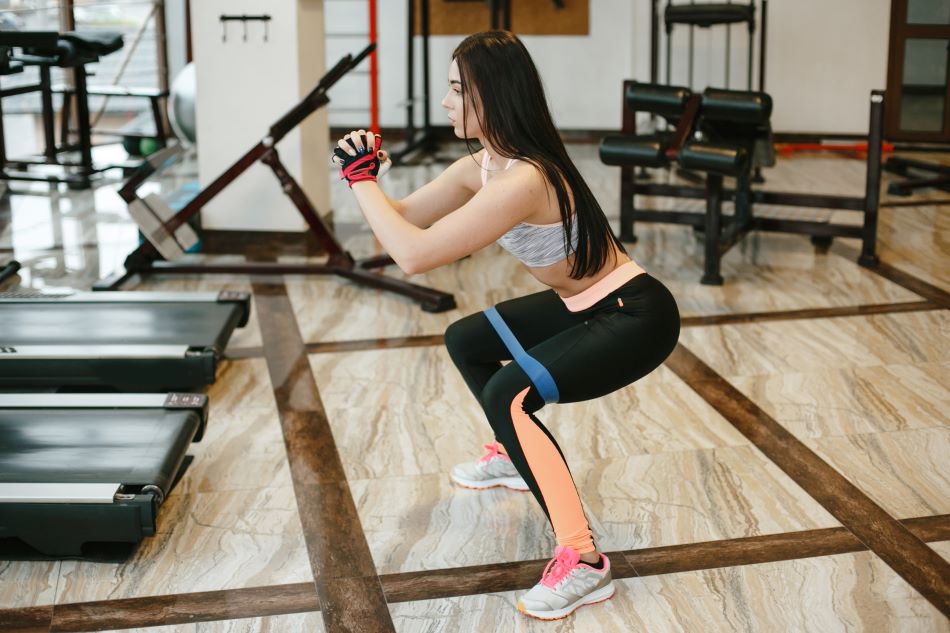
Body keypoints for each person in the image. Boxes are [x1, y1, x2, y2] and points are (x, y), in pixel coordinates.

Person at [331, 30, 680, 621]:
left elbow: (412, 256)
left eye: (455, 90)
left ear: (492, 97)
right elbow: (399, 224)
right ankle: (514, 455)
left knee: (507, 393)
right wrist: (371, 178)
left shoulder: (526, 180)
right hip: (584, 303)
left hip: (632, 313)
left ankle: (584, 560)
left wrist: (360, 179)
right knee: (465, 339)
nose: (445, 103)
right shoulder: (484, 166)